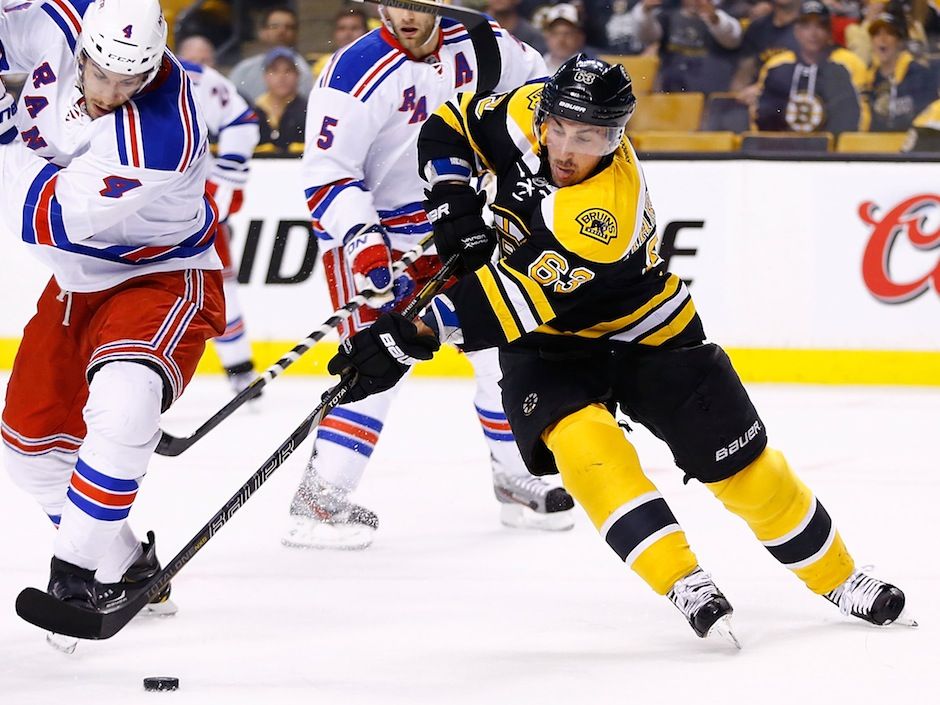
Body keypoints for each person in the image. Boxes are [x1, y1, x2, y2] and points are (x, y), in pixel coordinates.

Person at [324, 54, 916, 643]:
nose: (565, 148)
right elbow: (450, 125)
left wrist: (405, 339)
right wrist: (452, 199)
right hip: (548, 348)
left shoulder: (602, 213)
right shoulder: (528, 109)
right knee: (586, 449)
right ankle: (682, 578)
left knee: (744, 473)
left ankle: (840, 577)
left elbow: (504, 301)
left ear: (615, 136)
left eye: (587, 136)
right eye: (560, 127)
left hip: (649, 334)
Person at [290, 1, 571, 550]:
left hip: (459, 224)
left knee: (502, 350)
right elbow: (326, 176)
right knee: (376, 367)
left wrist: (517, 162)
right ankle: (320, 500)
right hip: (379, 235)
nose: (407, 13)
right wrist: (364, 242)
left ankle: (515, 478)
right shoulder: (353, 73)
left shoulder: (484, 42)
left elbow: (540, 96)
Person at [0, 0, 223, 627]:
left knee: (124, 405)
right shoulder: (62, 22)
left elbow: (45, 216)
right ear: (85, 46)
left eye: (133, 78)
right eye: (100, 74)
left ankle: (71, 575)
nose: (112, 92)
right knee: (30, 453)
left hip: (157, 277)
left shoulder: (158, 134)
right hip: (74, 287)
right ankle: (125, 567)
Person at [178, 37, 263, 393]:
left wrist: (226, 175)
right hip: (128, 210)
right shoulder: (96, 73)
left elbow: (241, 119)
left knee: (219, 287)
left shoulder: (193, 79)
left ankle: (239, 368)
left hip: (193, 204)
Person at [754, 1, 868, 135]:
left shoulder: (849, 63)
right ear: (796, 31)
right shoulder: (777, 66)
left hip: (832, 151)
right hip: (783, 149)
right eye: (806, 26)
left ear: (829, 32)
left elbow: (859, 115)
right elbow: (762, 115)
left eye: (820, 26)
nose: (813, 33)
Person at [636, 0, 743, 93]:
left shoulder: (724, 17)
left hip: (710, 91)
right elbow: (647, 37)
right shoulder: (667, 17)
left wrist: (714, 19)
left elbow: (733, 40)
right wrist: (646, 12)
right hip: (671, 90)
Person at [863, 8, 937, 131]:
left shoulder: (920, 75)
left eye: (889, 33)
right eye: (877, 34)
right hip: (876, 145)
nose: (882, 39)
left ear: (900, 42)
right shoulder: (869, 81)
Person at [228, 6, 313, 103]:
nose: (281, 31)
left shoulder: (304, 71)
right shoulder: (243, 70)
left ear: (296, 34)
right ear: (262, 32)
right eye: (274, 26)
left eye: (288, 27)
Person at [731, 0, 802, 107]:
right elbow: (742, 77)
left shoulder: (813, 27)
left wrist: (765, 89)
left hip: (800, 103)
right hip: (761, 107)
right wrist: (737, 99)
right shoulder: (757, 28)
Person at [255, 47, 307, 153]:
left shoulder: (309, 112)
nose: (281, 77)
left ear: (297, 75)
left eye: (288, 71)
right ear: (265, 76)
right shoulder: (254, 112)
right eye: (274, 71)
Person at [311, 7, 371, 82]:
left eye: (354, 28)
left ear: (367, 32)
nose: (347, 34)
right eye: (342, 28)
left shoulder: (376, 62)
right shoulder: (324, 64)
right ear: (334, 33)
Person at [541, 3, 601, 74]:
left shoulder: (589, 69)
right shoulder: (536, 64)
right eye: (556, 33)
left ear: (579, 37)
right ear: (546, 36)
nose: (561, 40)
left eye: (567, 34)